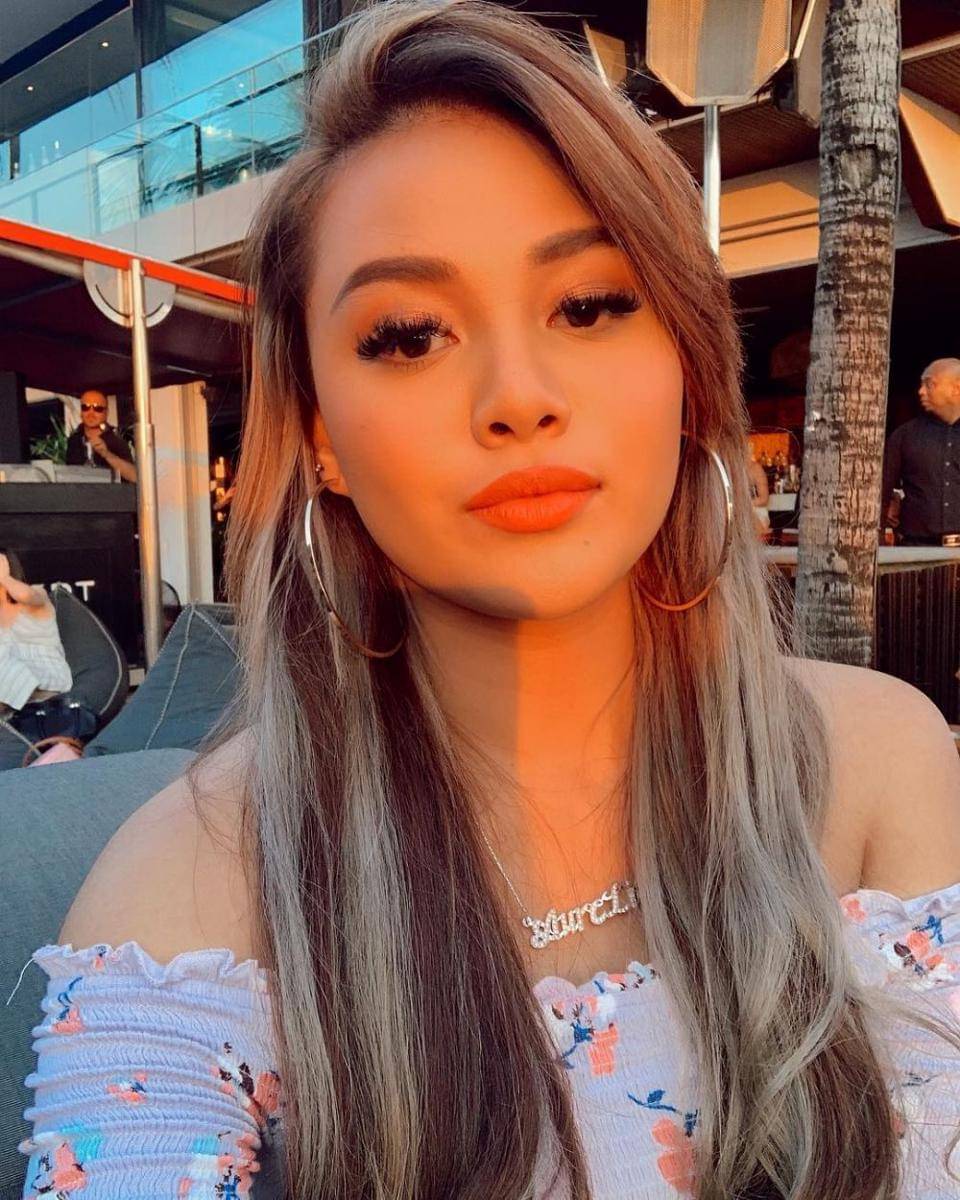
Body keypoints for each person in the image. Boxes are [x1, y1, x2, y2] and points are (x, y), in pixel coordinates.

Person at [18, 4, 960, 1198]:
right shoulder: (189, 891)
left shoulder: (874, 765)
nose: (517, 396)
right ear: (321, 437)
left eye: (590, 305)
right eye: (410, 336)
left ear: (683, 364)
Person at [882, 358, 960, 545]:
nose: (921, 391)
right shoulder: (904, 436)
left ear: (956, 389)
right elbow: (880, 493)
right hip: (916, 549)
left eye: (930, 384)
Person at [64, 390, 138, 484]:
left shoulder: (118, 439)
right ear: (81, 412)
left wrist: (106, 454)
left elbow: (134, 477)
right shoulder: (74, 440)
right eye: (85, 407)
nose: (91, 413)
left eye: (98, 408)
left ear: (106, 413)